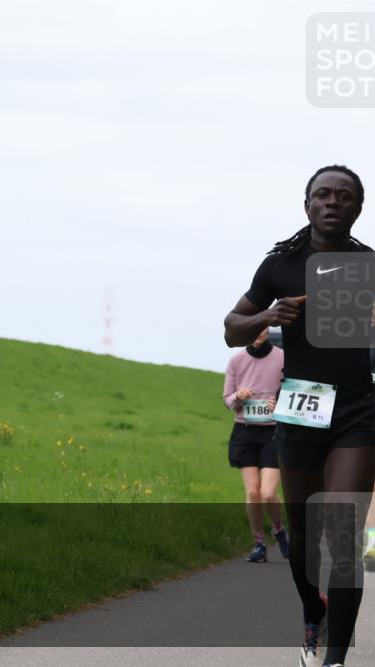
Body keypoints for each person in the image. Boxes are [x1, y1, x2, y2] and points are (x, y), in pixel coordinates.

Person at [223, 165, 374, 667]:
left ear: (358, 208)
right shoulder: (280, 265)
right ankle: (314, 610)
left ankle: (335, 660)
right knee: (306, 536)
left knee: (344, 535)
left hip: (356, 410)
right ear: (306, 205)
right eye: (322, 194)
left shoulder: (369, 265)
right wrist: (267, 316)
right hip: (302, 408)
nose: (333, 202)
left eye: (344, 196)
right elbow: (231, 328)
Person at [223, 326, 289, 562]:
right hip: (245, 432)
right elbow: (227, 400)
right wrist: (238, 397)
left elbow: (294, 391)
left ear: (268, 328)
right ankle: (259, 544)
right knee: (252, 492)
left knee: (268, 493)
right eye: (254, 328)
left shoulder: (283, 357)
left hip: (274, 432)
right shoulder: (236, 360)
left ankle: (279, 529)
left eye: (262, 328)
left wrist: (280, 403)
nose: (259, 332)